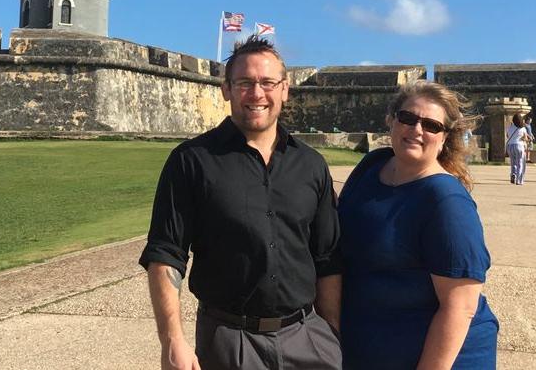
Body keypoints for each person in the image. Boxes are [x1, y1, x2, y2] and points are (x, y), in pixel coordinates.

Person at [139, 35, 342, 370]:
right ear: (226, 89)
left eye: (267, 82)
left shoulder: (311, 165)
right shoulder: (192, 161)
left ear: (285, 89)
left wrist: (332, 334)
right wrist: (172, 340)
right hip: (230, 339)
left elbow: (328, 258)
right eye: (245, 82)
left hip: (306, 336)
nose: (257, 94)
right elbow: (166, 253)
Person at [338, 81, 498, 369]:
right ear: (391, 120)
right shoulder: (373, 165)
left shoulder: (446, 201)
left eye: (432, 125)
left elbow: (459, 307)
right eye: (408, 118)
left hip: (436, 358)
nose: (416, 130)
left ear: (445, 137)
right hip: (370, 347)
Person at [506, 113, 528, 185]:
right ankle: (519, 180)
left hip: (510, 146)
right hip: (519, 146)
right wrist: (522, 138)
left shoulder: (510, 127)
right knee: (520, 163)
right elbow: (525, 138)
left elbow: (507, 136)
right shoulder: (523, 128)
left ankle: (513, 174)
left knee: (513, 162)